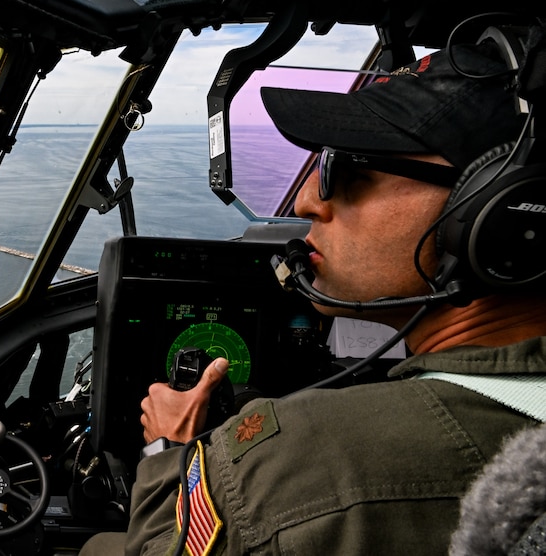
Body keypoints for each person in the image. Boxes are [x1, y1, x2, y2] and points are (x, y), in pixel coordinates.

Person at [80, 40, 546, 555]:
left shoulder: (308, 465)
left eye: (352, 172)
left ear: (499, 210)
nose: (306, 199)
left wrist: (171, 450)